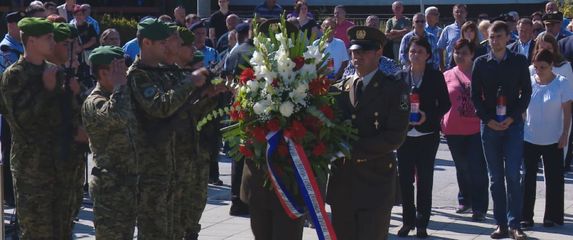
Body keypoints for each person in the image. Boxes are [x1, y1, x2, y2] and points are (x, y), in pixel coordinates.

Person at [0, 17, 83, 240]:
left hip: (62, 167)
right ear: (32, 41)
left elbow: (68, 116)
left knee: (62, 232)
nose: (52, 41)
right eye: (48, 38)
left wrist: (74, 96)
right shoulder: (14, 75)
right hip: (33, 170)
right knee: (37, 233)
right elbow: (21, 122)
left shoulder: (55, 71)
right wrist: (47, 90)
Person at [327, 25, 409, 240]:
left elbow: (394, 136)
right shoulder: (340, 88)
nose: (357, 56)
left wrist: (350, 150)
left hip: (374, 182)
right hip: (343, 184)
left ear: (379, 52)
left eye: (364, 51)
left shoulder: (393, 89)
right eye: (354, 51)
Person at [128, 18, 206, 239]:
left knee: (174, 231)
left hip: (171, 169)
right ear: (146, 43)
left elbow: (183, 107)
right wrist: (190, 82)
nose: (167, 45)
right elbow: (161, 106)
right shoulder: (138, 76)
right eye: (162, 42)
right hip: (151, 171)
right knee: (155, 232)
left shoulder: (163, 72)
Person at [471, 21, 531, 240]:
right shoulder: (480, 63)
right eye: (492, 36)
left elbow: (526, 93)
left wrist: (513, 117)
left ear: (508, 37)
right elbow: (475, 96)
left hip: (513, 125)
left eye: (499, 36)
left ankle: (516, 224)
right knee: (496, 178)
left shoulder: (518, 61)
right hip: (490, 126)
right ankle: (500, 224)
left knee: (514, 175)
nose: (495, 40)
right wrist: (488, 120)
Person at [396, 37, 451, 238]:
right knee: (404, 180)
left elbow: (445, 104)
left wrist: (429, 115)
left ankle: (421, 223)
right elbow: (394, 105)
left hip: (427, 134)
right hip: (405, 136)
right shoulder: (400, 77)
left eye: (419, 51)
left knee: (425, 180)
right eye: (412, 51)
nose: (415, 55)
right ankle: (407, 221)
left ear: (428, 55)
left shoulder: (436, 77)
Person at [82, 45, 138, 239]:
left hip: (127, 183)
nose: (126, 73)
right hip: (109, 186)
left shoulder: (120, 95)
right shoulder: (94, 101)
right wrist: (120, 86)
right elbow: (117, 116)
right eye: (120, 69)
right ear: (105, 73)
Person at [522, 49, 570, 230]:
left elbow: (567, 111)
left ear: (551, 66)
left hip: (553, 138)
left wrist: (565, 132)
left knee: (554, 178)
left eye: (543, 67)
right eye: (536, 67)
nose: (539, 70)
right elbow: (522, 106)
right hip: (530, 137)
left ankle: (553, 216)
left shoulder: (561, 83)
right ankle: (525, 215)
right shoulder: (529, 81)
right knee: (527, 178)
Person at [441, 39, 489, 221]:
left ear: (472, 54)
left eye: (464, 53)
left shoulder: (480, 74)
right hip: (453, 129)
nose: (460, 56)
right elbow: (441, 100)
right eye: (457, 52)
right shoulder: (446, 75)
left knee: (477, 168)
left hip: (476, 129)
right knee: (462, 167)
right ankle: (465, 200)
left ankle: (479, 207)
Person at [438, 4, 467, 70]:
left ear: (466, 14)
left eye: (462, 12)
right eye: (457, 12)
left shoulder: (471, 28)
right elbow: (440, 48)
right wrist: (442, 66)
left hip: (468, 66)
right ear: (453, 14)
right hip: (450, 67)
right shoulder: (447, 29)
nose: (459, 14)